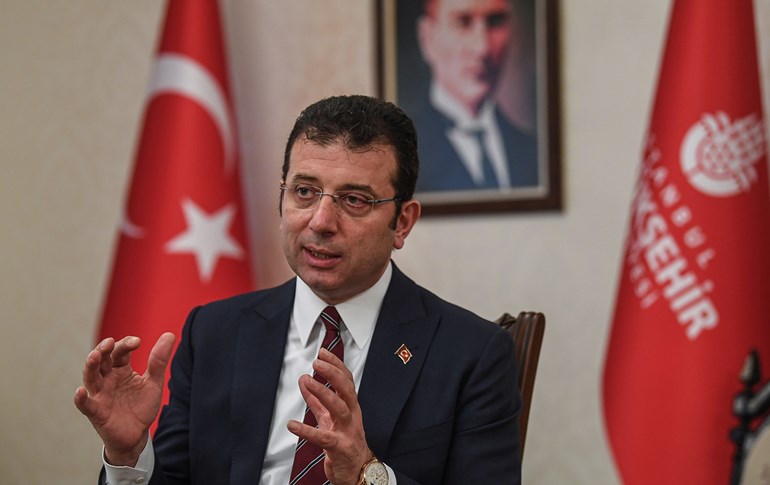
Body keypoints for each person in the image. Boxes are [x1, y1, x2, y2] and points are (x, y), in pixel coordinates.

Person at [75, 94, 522, 484]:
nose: (321, 222)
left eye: (355, 200)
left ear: (402, 222)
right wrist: (130, 454)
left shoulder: (471, 354)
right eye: (305, 192)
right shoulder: (214, 332)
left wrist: (367, 473)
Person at [414, 0, 538, 193]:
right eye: (463, 22)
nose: (482, 48)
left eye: (495, 21)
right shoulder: (401, 153)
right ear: (427, 37)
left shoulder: (534, 152)